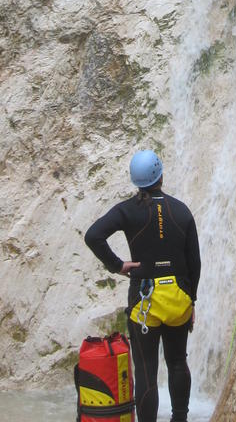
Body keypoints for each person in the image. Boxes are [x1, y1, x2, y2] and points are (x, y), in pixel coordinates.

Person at [85, 150, 201, 422]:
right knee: (177, 361)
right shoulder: (181, 210)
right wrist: (192, 301)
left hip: (144, 300)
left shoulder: (127, 210)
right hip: (178, 298)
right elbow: (194, 262)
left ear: (135, 180)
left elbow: (93, 235)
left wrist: (117, 265)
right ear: (161, 175)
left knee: (147, 369)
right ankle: (180, 418)